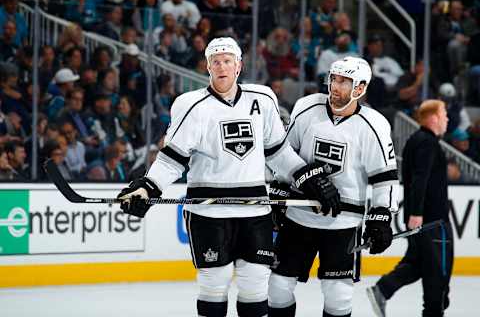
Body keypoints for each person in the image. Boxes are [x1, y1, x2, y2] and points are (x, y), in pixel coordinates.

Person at [116, 37, 340, 317]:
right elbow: (172, 159)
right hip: (209, 213)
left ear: (239, 66)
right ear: (207, 67)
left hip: (255, 211)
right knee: (214, 285)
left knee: (255, 286)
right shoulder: (190, 105)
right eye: (215, 61)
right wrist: (148, 187)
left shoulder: (263, 99)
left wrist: (308, 178)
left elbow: (278, 153)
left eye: (227, 60)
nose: (222, 66)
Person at [268, 56, 399, 317]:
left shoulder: (374, 125)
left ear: (360, 89)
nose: (335, 86)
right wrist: (279, 189)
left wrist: (382, 217)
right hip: (298, 217)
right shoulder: (306, 107)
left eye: (344, 81)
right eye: (334, 79)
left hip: (343, 224)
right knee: (277, 287)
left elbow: (385, 178)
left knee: (338, 295)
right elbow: (285, 153)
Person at [367, 99, 454, 317]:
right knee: (438, 273)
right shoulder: (427, 142)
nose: (447, 119)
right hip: (433, 222)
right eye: (444, 114)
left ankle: (383, 289)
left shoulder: (416, 140)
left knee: (417, 263)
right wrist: (417, 213)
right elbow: (419, 178)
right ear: (433, 117)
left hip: (424, 220)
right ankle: (434, 310)